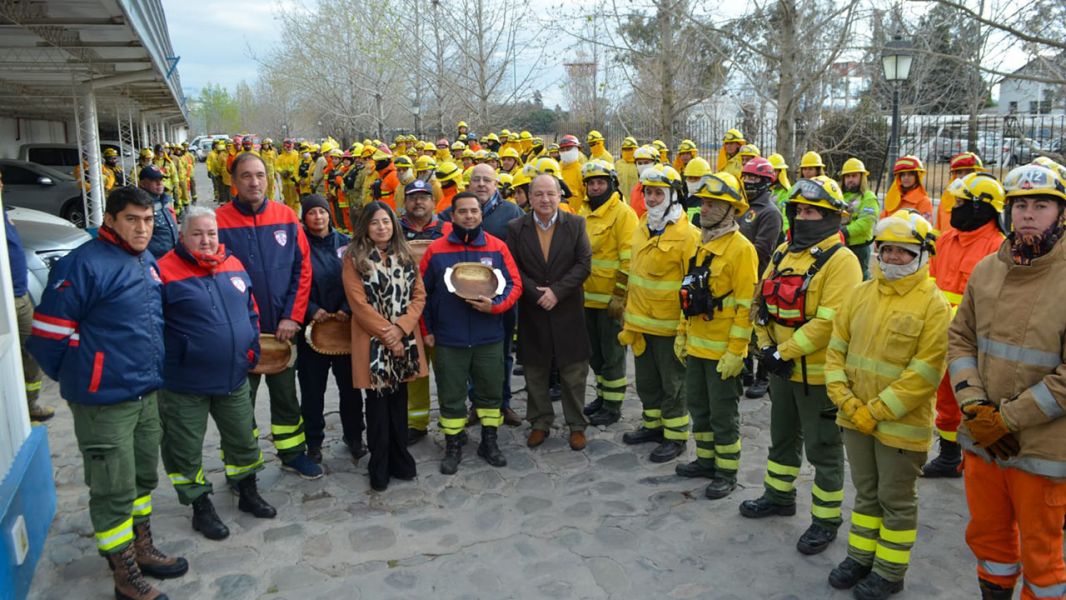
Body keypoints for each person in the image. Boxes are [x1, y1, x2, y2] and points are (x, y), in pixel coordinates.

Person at [27, 186, 187, 600]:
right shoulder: (81, 265)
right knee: (112, 488)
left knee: (141, 478)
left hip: (144, 394)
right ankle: (123, 574)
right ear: (111, 221)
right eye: (132, 219)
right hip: (104, 402)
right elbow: (47, 338)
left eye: (149, 220)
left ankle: (141, 548)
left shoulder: (143, 260)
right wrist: (84, 377)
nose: (142, 228)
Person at [947, 161, 1066, 600]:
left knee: (1043, 560)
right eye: (1020, 206)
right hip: (982, 439)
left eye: (1042, 205)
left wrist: (1006, 420)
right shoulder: (986, 270)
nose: (1029, 215)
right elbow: (960, 339)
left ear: (1061, 213)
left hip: (1043, 449)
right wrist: (976, 408)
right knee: (990, 543)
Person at [824, 211, 948, 600]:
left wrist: (874, 411)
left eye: (903, 252)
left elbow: (926, 373)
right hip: (853, 416)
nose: (892, 258)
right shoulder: (860, 294)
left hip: (899, 426)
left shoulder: (934, 305)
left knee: (895, 500)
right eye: (886, 250)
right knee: (865, 493)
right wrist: (845, 399)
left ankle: (890, 571)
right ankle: (861, 557)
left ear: (922, 255)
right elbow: (836, 352)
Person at [740, 176, 862, 556]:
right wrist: (764, 346)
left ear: (831, 216)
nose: (804, 217)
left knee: (823, 450)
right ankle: (779, 495)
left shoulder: (842, 261)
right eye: (799, 210)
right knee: (782, 438)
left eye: (813, 211)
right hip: (782, 371)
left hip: (818, 377)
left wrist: (784, 352)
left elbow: (829, 322)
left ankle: (826, 521)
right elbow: (759, 303)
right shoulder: (783, 254)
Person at [156, 206, 276, 541]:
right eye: (198, 234)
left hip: (233, 376)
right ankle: (200, 506)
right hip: (185, 383)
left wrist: (251, 346)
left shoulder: (233, 264)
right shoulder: (163, 271)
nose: (206, 240)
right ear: (182, 236)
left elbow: (250, 311)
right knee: (184, 447)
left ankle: (247, 490)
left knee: (242, 436)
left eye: (211, 233)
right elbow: (151, 326)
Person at [216, 153, 321, 479]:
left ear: (269, 178)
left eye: (260, 175)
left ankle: (292, 453)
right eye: (246, 176)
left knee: (286, 398)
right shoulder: (218, 222)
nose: (254, 182)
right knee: (238, 405)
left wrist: (292, 316)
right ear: (233, 181)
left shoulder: (287, 217)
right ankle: (241, 467)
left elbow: (302, 270)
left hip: (281, 331)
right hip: (239, 334)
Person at [420, 192, 522, 475]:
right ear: (452, 216)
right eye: (462, 211)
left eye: (474, 211)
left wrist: (496, 307)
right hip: (448, 338)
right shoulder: (436, 250)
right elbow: (421, 294)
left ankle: (490, 441)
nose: (468, 216)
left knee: (490, 395)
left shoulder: (497, 248)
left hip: (488, 337)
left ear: (481, 214)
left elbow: (514, 286)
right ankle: (453, 444)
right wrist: (426, 330)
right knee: (451, 395)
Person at [675, 172, 758, 499]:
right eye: (703, 202)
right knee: (698, 406)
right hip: (697, 346)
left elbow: (745, 306)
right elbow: (689, 290)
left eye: (712, 203)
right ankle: (706, 461)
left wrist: (737, 351)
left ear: (730, 209)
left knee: (724, 416)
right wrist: (682, 332)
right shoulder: (700, 240)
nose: (704, 208)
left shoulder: (742, 250)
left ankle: (726, 472)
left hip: (723, 352)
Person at [922, 172, 1005, 479]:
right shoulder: (945, 240)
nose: (953, 208)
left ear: (981, 208)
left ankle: (980, 457)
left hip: (977, 342)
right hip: (941, 335)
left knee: (975, 400)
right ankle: (948, 456)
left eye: (961, 203)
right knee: (945, 399)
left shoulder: (999, 247)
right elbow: (928, 284)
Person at [617, 166, 699, 462]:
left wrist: (684, 329)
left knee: (673, 385)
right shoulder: (641, 225)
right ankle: (652, 426)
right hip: (639, 322)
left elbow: (693, 287)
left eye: (657, 193)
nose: (651, 199)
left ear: (674, 196)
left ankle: (675, 436)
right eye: (647, 192)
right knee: (647, 382)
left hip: (669, 328)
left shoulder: (689, 235)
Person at [342, 201, 427, 491]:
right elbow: (358, 303)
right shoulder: (355, 258)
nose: (382, 227)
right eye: (376, 222)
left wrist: (401, 329)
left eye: (387, 221)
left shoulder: (406, 254)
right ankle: (379, 464)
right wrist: (388, 334)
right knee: (377, 406)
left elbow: (419, 296)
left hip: (404, 340)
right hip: (373, 342)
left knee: (399, 401)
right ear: (366, 225)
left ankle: (401, 459)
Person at [506, 173, 593, 450]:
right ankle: (540, 422)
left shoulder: (576, 224)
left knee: (573, 371)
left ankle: (576, 425)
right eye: (539, 194)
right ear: (530, 198)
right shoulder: (516, 227)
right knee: (535, 370)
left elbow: (583, 264)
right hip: (533, 310)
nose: (545, 199)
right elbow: (513, 267)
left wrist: (557, 292)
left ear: (559, 196)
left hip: (567, 308)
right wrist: (535, 293)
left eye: (550, 194)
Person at [440, 163, 525, 426]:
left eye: (487, 180)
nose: (481, 184)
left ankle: (504, 402)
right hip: (462, 298)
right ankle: (476, 403)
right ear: (468, 184)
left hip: (501, 301)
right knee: (470, 352)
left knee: (501, 354)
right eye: (475, 179)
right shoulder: (449, 215)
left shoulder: (512, 212)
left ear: (496, 184)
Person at [295, 194, 366, 463]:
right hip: (312, 329)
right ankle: (314, 441)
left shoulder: (346, 244)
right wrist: (312, 310)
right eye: (312, 213)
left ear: (329, 214)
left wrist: (347, 309)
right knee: (313, 390)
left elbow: (359, 280)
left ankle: (354, 435)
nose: (318, 217)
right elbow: (293, 283)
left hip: (345, 327)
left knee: (350, 387)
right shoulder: (297, 246)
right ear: (305, 217)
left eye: (322, 212)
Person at [399, 180, 450, 444]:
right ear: (405, 201)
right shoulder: (394, 230)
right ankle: (416, 423)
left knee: (447, 370)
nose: (419, 202)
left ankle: (452, 420)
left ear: (433, 201)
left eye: (424, 197)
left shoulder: (448, 229)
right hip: (408, 314)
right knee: (414, 371)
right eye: (413, 197)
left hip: (443, 313)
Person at [5, 172, 53, 420]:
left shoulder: (4, 212)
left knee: (31, 349)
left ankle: (29, 404)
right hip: (4, 301)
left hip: (19, 295)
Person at [737, 157, 784, 398]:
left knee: (761, 328)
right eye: (746, 177)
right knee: (742, 325)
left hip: (759, 278)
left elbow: (762, 250)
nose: (748, 181)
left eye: (754, 178)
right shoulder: (742, 206)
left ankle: (762, 378)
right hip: (739, 277)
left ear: (766, 182)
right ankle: (745, 370)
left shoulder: (770, 213)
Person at [839, 158, 880, 280]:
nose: (850, 179)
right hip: (840, 245)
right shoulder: (839, 196)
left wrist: (843, 232)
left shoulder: (869, 198)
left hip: (859, 248)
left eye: (854, 176)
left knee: (860, 280)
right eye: (847, 176)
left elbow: (865, 223)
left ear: (862, 177)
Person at [936, 152, 984, 233]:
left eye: (968, 172)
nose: (963, 176)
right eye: (959, 172)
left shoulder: (984, 200)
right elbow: (938, 228)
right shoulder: (946, 198)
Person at [137, 165, 179, 259]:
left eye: (161, 179)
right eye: (154, 180)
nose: (159, 183)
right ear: (143, 183)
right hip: (155, 259)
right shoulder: (140, 204)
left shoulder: (165, 200)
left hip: (172, 256)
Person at [882, 156, 932, 221]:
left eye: (910, 174)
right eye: (903, 175)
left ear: (917, 177)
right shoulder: (892, 198)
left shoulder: (924, 201)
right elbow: (882, 222)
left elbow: (925, 227)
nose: (906, 178)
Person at [559, 135, 587, 212]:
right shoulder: (557, 168)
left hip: (576, 217)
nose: (565, 152)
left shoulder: (581, 171)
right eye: (562, 149)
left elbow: (587, 197)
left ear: (577, 149)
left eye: (568, 149)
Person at [616, 136, 640, 201]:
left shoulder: (639, 165)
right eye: (625, 149)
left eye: (630, 149)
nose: (627, 151)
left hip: (636, 201)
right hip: (621, 201)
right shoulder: (618, 164)